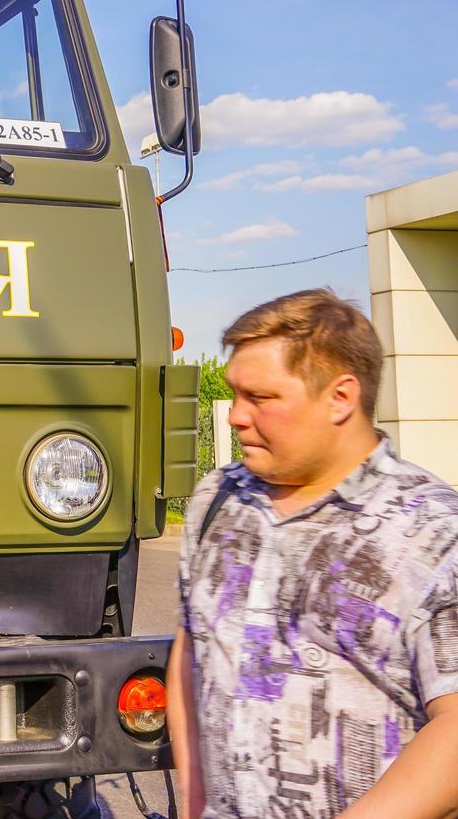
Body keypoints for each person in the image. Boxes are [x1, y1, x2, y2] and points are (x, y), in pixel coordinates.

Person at [167, 289, 458, 817]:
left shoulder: (432, 531)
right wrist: (192, 802)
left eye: (260, 397)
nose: (235, 416)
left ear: (340, 398)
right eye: (235, 395)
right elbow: (192, 651)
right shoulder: (217, 500)